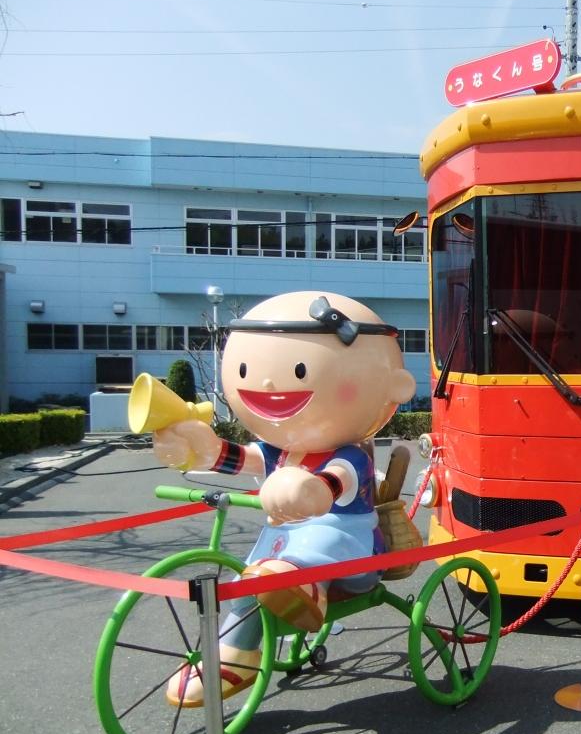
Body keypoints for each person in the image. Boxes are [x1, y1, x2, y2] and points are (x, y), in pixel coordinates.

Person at [152, 292, 416, 706]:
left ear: (393, 387)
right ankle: (232, 653)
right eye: (244, 370)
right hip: (283, 544)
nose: (269, 385)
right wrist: (202, 449)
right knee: (250, 585)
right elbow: (244, 459)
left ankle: (282, 613)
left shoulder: (350, 457)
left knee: (267, 578)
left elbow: (332, 484)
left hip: (350, 553)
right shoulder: (280, 449)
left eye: (299, 371)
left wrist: (308, 491)